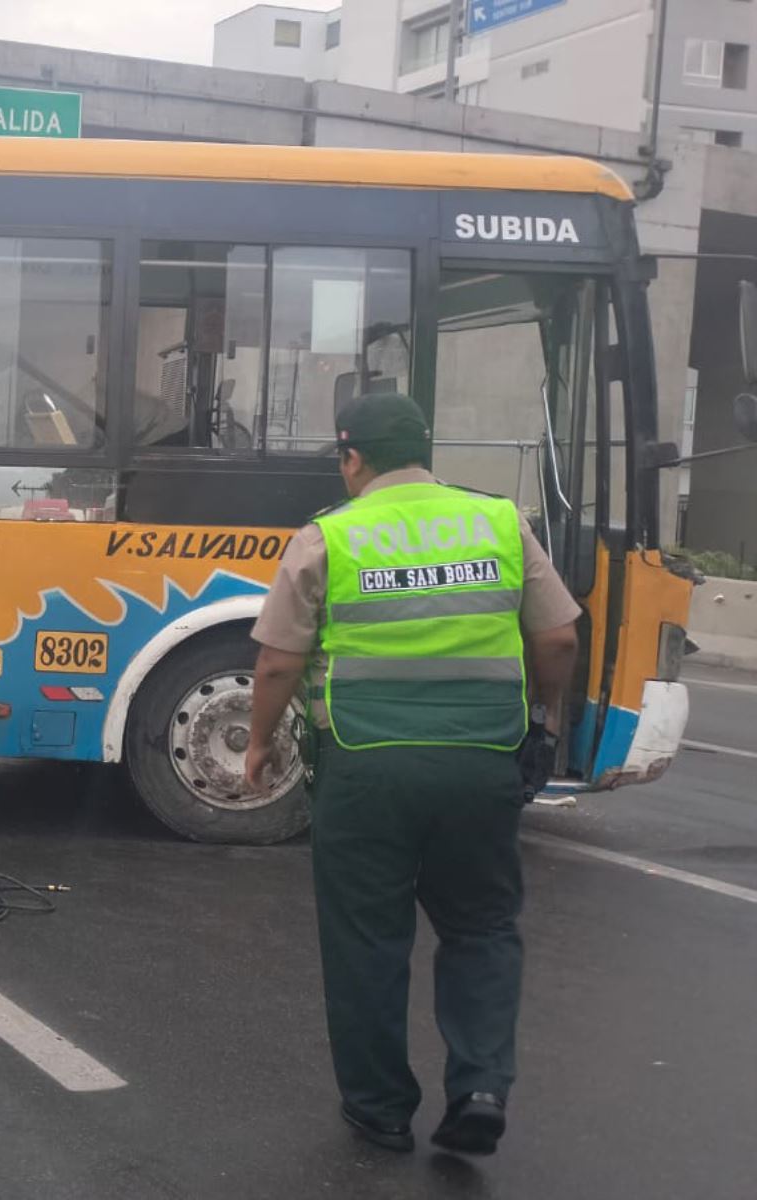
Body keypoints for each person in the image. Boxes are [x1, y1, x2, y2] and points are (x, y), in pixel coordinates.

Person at [242, 393, 579, 1158]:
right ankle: (481, 1087)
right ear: (425, 451)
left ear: (351, 457)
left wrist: (260, 744)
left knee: (367, 938)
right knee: (482, 926)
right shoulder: (498, 521)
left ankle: (381, 1109)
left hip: (366, 765)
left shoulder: (329, 535)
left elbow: (278, 662)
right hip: (482, 761)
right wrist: (542, 720)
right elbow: (556, 638)